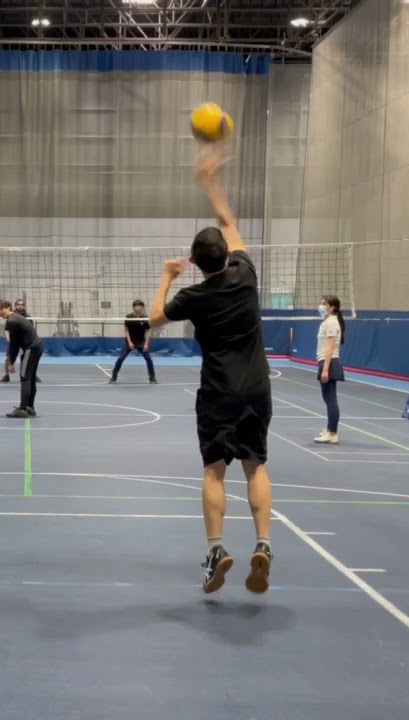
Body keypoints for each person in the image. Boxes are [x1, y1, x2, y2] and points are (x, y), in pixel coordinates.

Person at [147, 143, 274, 595]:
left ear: (196, 262)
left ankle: (217, 549)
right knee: (255, 466)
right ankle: (263, 544)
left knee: (214, 471)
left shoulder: (193, 297)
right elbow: (229, 223)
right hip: (258, 387)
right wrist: (210, 181)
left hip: (218, 391)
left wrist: (167, 276)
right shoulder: (245, 273)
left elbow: (154, 319)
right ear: (227, 255)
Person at [0, 299, 43, 419]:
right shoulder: (15, 318)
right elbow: (16, 341)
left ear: (8, 307)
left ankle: (22, 408)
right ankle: (30, 407)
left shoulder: (12, 321)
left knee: (25, 378)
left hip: (31, 349)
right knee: (30, 379)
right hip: (37, 347)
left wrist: (11, 363)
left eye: (1, 309)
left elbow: (14, 344)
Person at [314, 294, 346, 444]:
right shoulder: (327, 322)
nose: (320, 306)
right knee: (328, 398)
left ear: (332, 307)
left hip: (330, 362)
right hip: (326, 362)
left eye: (324, 303)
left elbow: (330, 347)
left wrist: (325, 369)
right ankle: (329, 429)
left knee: (330, 399)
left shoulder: (332, 322)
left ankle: (332, 433)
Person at [109, 299, 157, 384]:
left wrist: (146, 344)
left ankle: (152, 378)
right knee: (121, 358)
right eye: (137, 306)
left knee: (148, 359)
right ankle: (113, 377)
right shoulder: (128, 317)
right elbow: (126, 331)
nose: (139, 308)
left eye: (140, 307)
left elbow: (148, 332)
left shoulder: (146, 318)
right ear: (134, 307)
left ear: (143, 307)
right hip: (129, 341)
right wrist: (130, 342)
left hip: (141, 342)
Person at [0, 299, 41, 384]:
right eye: (18, 304)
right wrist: (8, 337)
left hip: (25, 342)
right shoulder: (11, 316)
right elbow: (7, 329)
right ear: (15, 306)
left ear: (24, 306)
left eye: (22, 304)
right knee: (9, 356)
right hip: (14, 339)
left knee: (31, 358)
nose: (20, 306)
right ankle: (6, 375)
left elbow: (31, 330)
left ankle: (33, 374)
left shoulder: (27, 316)